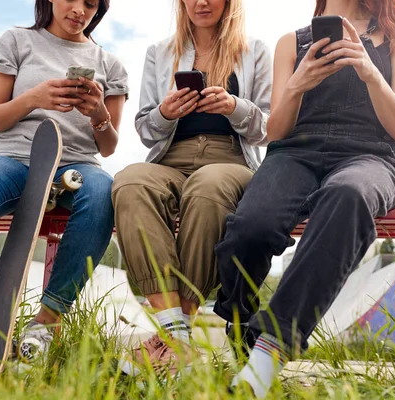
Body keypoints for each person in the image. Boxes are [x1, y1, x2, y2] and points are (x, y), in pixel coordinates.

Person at [213, 0, 395, 396]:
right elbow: (275, 130)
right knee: (251, 227)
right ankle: (240, 326)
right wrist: (298, 82)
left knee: (347, 195)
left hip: (369, 156)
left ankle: (267, 353)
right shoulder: (290, 43)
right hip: (294, 153)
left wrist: (368, 72)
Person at [0, 0, 128, 393]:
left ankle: (44, 326)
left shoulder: (109, 64)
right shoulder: (15, 41)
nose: (80, 9)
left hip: (78, 163)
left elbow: (109, 145)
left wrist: (98, 110)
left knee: (102, 195)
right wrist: (34, 98)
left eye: (91, 4)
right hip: (14, 157)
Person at [112, 0, 271, 377]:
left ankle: (168, 342)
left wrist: (233, 106)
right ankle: (177, 338)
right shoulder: (160, 52)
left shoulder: (256, 51)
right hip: (170, 158)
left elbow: (268, 127)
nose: (201, 2)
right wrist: (166, 112)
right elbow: (145, 129)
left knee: (208, 186)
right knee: (130, 181)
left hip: (231, 159)